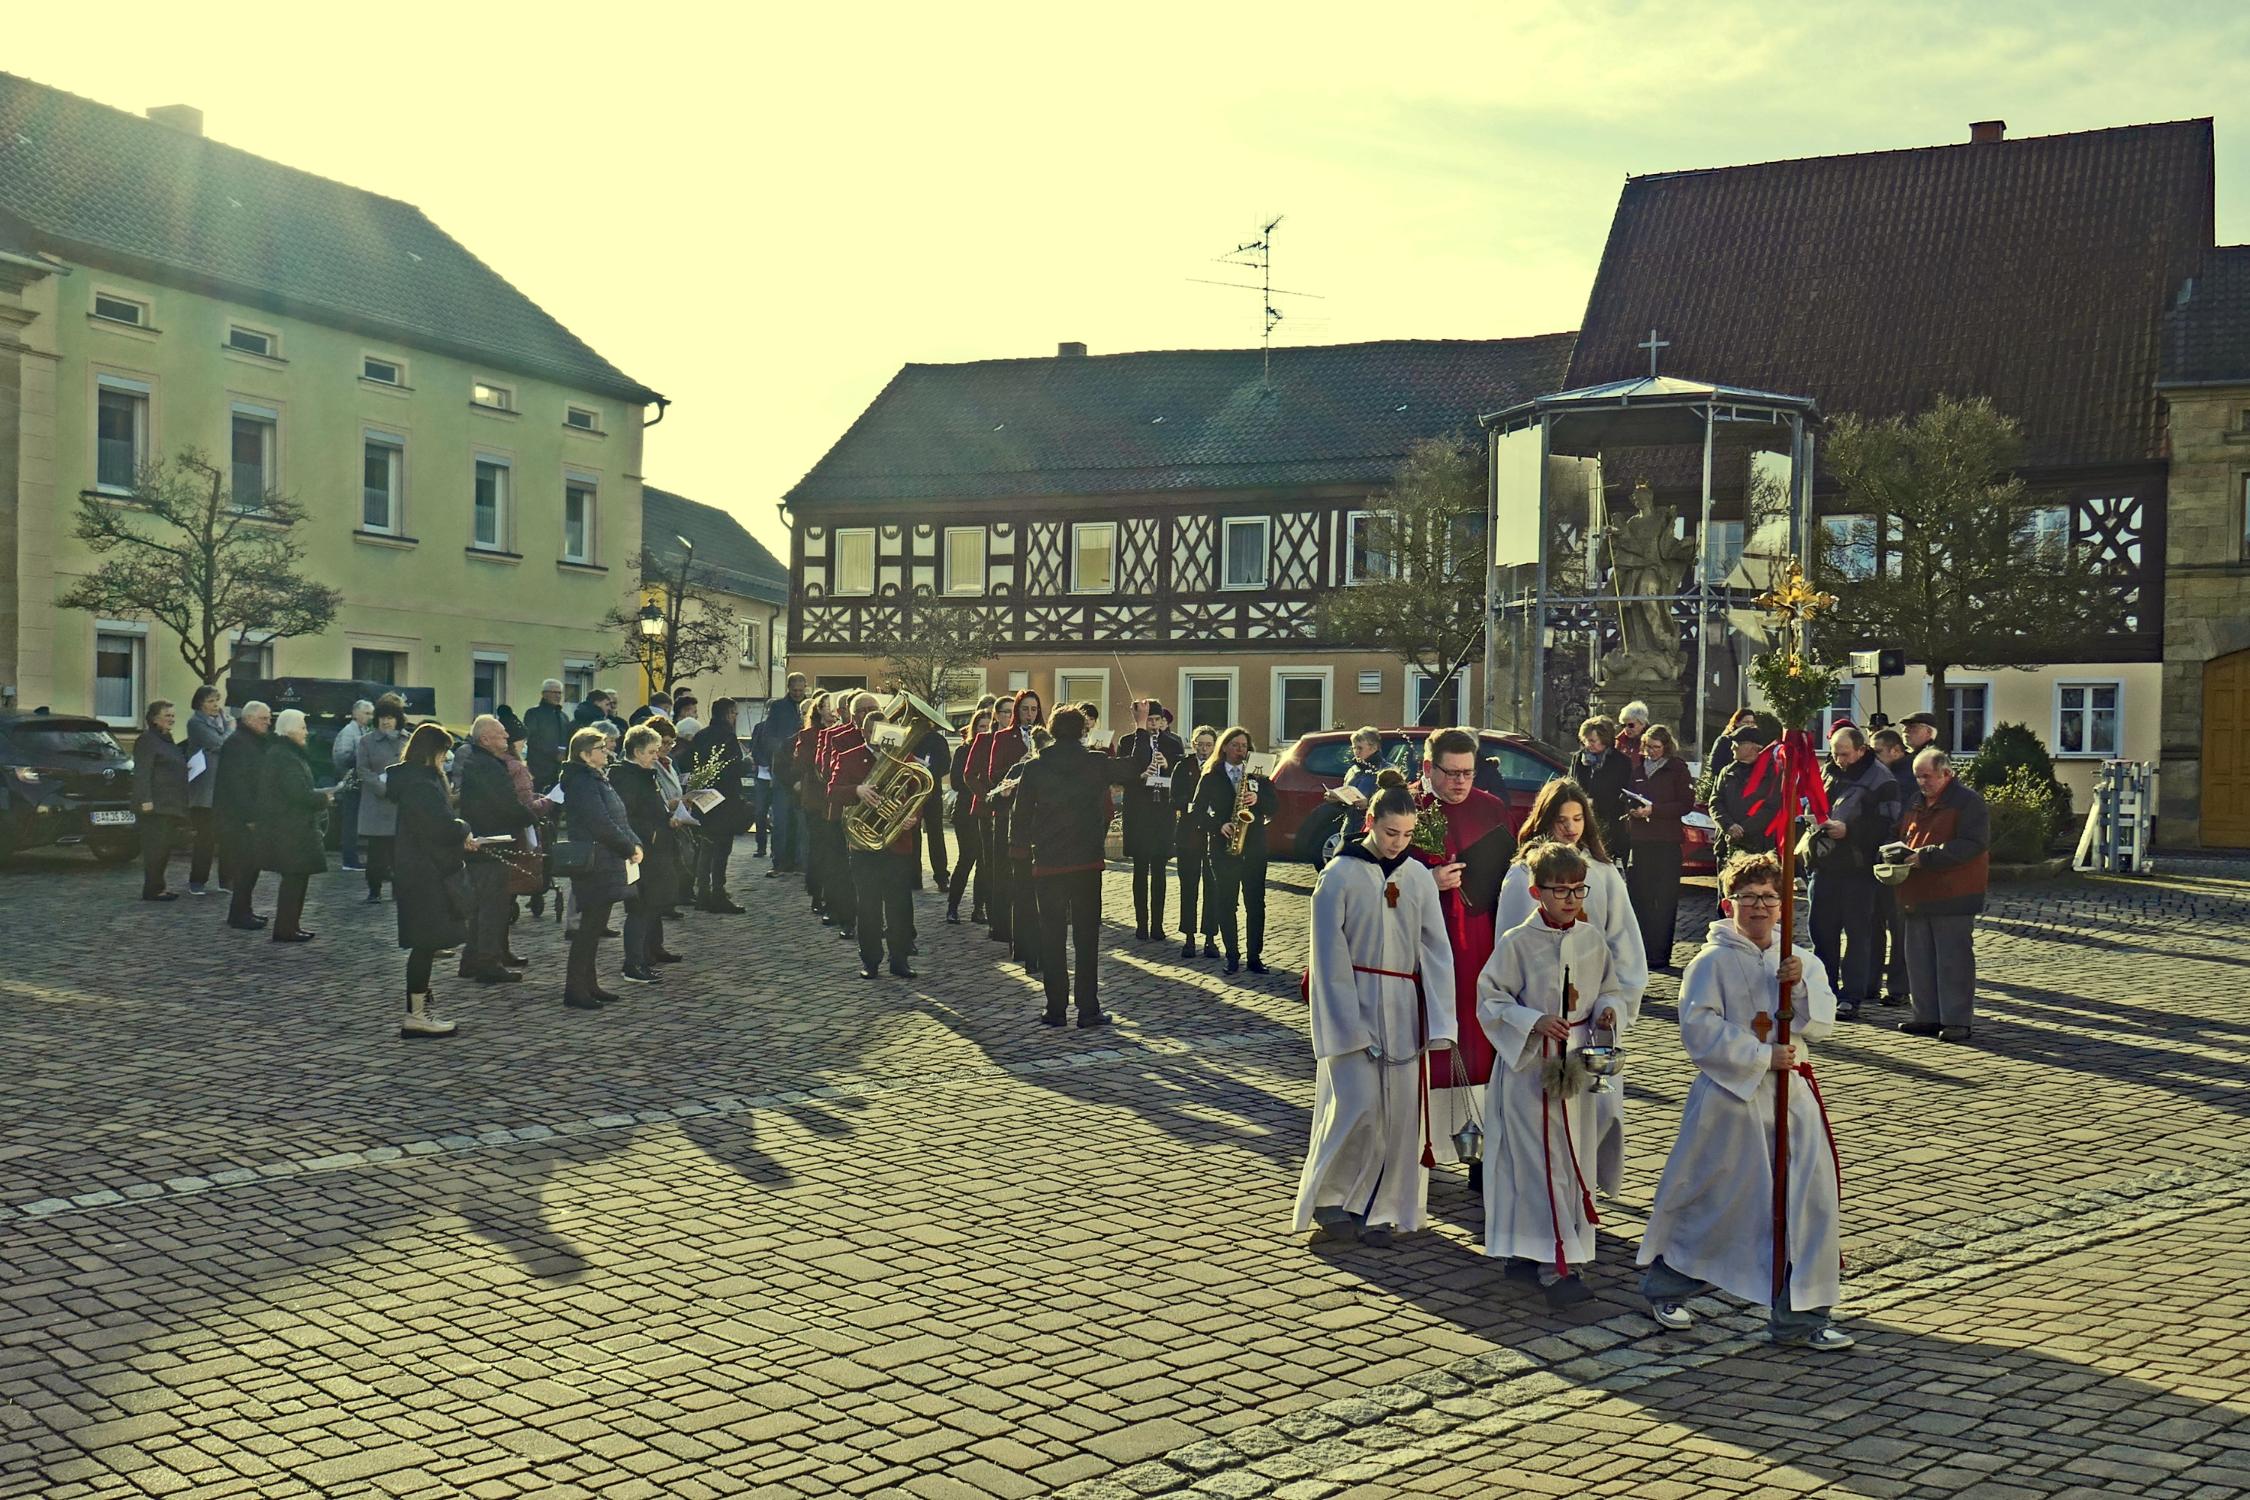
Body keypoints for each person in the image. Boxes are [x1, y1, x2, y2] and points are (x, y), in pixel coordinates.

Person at [1637, 851, 1850, 1350]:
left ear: (1784, 904)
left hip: (1791, 1096)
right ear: (1727, 902)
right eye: (1748, 897)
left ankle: (1799, 1318)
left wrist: (1796, 988)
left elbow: (1821, 1024)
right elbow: (1697, 1027)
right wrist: (1756, 1057)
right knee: (1721, 1202)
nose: (1759, 907)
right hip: (1730, 1099)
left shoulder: (1798, 959)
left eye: (1770, 898)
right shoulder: (1710, 961)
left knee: (1807, 1202)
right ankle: (1668, 1285)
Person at [1294, 768, 1458, 1247]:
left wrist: (1439, 1019)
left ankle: (1385, 1206)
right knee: (1356, 1106)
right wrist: (1346, 1028)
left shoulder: (1416, 877)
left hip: (1403, 1006)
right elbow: (1327, 957)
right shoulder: (1339, 874)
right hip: (1356, 1003)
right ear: (1370, 821)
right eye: (1390, 833)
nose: (1397, 843)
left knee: (1401, 1113)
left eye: (1407, 835)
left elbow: (1435, 949)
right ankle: (1330, 1198)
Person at [1475, 840, 1622, 1306]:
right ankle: (1554, 1264)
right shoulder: (1517, 942)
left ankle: (1545, 1251)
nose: (1571, 900)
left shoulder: (1592, 939)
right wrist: (1531, 1021)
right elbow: (1490, 1000)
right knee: (1535, 1163)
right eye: (1561, 891)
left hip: (1575, 1063)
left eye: (1579, 891)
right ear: (1537, 893)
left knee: (1569, 1157)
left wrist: (1608, 1012)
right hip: (1528, 1068)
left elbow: (1610, 989)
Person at [1496, 779, 1647, 1195]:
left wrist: (1617, 1003)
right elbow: (1508, 947)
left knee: (1599, 1111)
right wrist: (1526, 1013)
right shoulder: (1523, 874)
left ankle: (1585, 1190)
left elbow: (1625, 942)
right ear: (1544, 820)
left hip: (1592, 1011)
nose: (1570, 828)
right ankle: (1546, 1195)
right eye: (1561, 820)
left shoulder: (1602, 873)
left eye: (1578, 819)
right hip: (1541, 1017)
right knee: (1540, 1117)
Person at [1013, 706, 1133, 1025]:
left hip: (1049, 862)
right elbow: (1136, 767)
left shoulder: (1036, 767)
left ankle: (1055, 1009)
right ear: (1083, 731)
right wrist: (1141, 726)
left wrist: (1020, 853)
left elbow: (1020, 815)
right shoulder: (1094, 763)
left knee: (1051, 937)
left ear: (1051, 730)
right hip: (1086, 862)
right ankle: (1087, 1008)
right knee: (1086, 937)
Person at [1895, 749, 1990, 1043]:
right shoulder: (1914, 800)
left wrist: (1925, 857)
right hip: (1916, 891)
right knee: (1919, 958)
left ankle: (1957, 1020)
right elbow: (1900, 833)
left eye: (1928, 776)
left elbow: (1973, 844)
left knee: (1953, 960)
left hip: (1954, 893)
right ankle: (1926, 1016)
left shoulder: (1968, 802)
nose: (1922, 782)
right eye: (1918, 776)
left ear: (1946, 773)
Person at [1810, 724, 1903, 1020]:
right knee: (1821, 931)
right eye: (1835, 754)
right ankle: (1824, 989)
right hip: (1824, 866)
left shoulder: (1882, 779)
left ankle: (1851, 995)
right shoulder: (1831, 771)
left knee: (1857, 934)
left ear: (1861, 750)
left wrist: (1850, 830)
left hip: (1858, 869)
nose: (1839, 760)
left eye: (1845, 754)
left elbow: (1889, 825)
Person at [388, 724, 472, 1039]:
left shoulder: (413, 781)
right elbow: (441, 828)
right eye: (444, 750)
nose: (447, 757)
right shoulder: (421, 786)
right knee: (424, 946)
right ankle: (416, 1014)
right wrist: (463, 826)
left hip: (418, 870)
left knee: (425, 945)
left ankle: (419, 1010)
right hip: (425, 873)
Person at [831, 696, 921, 979]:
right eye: (878, 732)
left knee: (900, 905)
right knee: (868, 905)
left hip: (897, 842)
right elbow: (832, 791)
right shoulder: (849, 757)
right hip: (863, 843)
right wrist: (857, 791)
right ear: (866, 733)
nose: (884, 738)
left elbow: (918, 791)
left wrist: (911, 816)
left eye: (888, 731)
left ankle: (900, 959)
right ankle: (870, 960)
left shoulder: (902, 756)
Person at [558, 726, 641, 1009]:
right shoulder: (583, 782)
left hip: (607, 858)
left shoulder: (596, 778)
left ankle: (589, 984)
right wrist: (628, 847)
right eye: (601, 749)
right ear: (584, 754)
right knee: (589, 927)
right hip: (594, 861)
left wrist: (634, 842)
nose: (607, 753)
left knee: (595, 926)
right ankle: (576, 988)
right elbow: (601, 823)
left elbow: (619, 817)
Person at [1190, 725, 1278, 975]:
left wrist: (1258, 800)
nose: (1241, 750)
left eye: (1244, 746)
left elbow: (1274, 807)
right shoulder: (1211, 775)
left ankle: (1254, 956)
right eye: (1236, 745)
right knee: (1227, 903)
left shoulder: (1259, 775)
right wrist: (1219, 825)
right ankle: (1231, 955)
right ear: (1225, 747)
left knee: (1255, 903)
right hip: (1222, 847)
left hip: (1255, 847)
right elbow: (1196, 812)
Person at [456, 714, 534, 984]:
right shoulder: (487, 766)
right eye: (501, 734)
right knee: (492, 905)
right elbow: (504, 804)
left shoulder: (481, 762)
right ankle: (488, 962)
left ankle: (471, 959)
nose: (507, 737)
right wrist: (531, 814)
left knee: (482, 904)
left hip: (484, 839)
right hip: (492, 840)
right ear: (485, 739)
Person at [976, 690, 1044, 963]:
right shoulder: (1003, 737)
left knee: (1032, 882)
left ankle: (1033, 940)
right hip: (1010, 813)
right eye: (1025, 709)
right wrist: (1020, 766)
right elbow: (993, 776)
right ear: (1016, 711)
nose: (1030, 714)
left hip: (1036, 817)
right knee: (1012, 879)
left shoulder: (1044, 736)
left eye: (1034, 709)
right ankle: (1012, 937)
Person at [1622, 724, 1694, 972]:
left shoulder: (1677, 769)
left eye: (1656, 747)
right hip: (1641, 841)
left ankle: (1660, 954)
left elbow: (1685, 804)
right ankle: (1642, 950)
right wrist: (1632, 810)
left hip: (1666, 842)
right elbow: (1630, 794)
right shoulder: (1639, 769)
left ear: (1666, 747)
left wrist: (1656, 810)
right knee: (1641, 899)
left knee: (1663, 900)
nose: (1651, 752)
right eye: (1647, 747)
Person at [613, 724, 680, 985]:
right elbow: (626, 816)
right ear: (637, 752)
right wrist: (652, 832)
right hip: (643, 851)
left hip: (654, 847)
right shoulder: (627, 777)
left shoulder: (643, 774)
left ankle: (645, 956)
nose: (656, 756)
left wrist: (667, 819)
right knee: (639, 908)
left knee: (651, 905)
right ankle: (633, 962)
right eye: (651, 751)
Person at [257, 709, 331, 943]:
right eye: (302, 727)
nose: (306, 732)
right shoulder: (285, 756)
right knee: (294, 880)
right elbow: (296, 793)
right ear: (289, 729)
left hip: (292, 825)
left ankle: (291, 926)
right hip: (291, 827)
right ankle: (286, 928)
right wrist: (323, 799)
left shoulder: (284, 753)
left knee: (297, 880)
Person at [1120, 700, 1185, 940]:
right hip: (1139, 812)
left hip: (1162, 813)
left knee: (1159, 868)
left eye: (1157, 720)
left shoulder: (1172, 743)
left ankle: (1157, 924)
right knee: (1140, 868)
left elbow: (1182, 778)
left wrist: (1167, 767)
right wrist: (1140, 775)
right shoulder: (1129, 742)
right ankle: (1141, 923)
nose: (1154, 724)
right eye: (1149, 720)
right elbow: (1122, 776)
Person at [213, 700, 272, 929]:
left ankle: (245, 910)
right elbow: (238, 785)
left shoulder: (254, 742)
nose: (268, 722)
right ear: (249, 719)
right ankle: (239, 914)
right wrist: (250, 816)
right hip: (238, 818)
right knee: (245, 868)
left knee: (252, 867)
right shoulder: (238, 743)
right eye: (263, 718)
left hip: (247, 815)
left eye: (269, 718)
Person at [686, 698, 748, 913]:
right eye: (735, 713)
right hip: (725, 800)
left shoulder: (701, 735)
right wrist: (746, 765)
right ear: (729, 713)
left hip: (704, 798)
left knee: (706, 845)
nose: (736, 717)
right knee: (721, 848)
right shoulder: (728, 736)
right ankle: (717, 893)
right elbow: (733, 768)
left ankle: (702, 892)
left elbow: (691, 763)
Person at [1870, 727, 1914, 1006]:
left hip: (1895, 861)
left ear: (1895, 750)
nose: (1872, 757)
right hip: (1877, 859)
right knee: (1874, 924)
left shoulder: (1906, 778)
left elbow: (1901, 820)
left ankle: (1898, 988)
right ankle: (1870, 983)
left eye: (1877, 751)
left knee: (1898, 929)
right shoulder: (1878, 774)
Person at [1172, 725, 1222, 959]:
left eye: (1208, 745)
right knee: (1188, 887)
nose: (1203, 749)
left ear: (1215, 746)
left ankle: (1211, 938)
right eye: (1199, 744)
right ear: (1192, 745)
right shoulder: (1183, 766)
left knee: (1212, 888)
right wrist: (1193, 806)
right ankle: (1189, 937)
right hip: (1189, 835)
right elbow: (1174, 799)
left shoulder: (1219, 768)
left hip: (1212, 836)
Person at [353, 696, 410, 903]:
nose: (386, 722)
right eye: (382, 718)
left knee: (400, 854)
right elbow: (362, 769)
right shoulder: (366, 742)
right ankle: (374, 890)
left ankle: (399, 890)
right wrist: (381, 788)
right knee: (376, 854)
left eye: (391, 718)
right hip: (377, 804)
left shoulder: (407, 740)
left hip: (400, 804)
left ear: (398, 719)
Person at [132, 699, 190, 901]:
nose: (171, 719)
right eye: (167, 715)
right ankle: (153, 889)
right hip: (156, 805)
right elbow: (142, 772)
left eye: (173, 716)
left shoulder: (168, 740)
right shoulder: (147, 740)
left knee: (164, 849)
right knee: (155, 849)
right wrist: (145, 800)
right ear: (155, 719)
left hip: (170, 804)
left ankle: (158, 886)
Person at [946, 706, 995, 925]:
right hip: (965, 811)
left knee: (984, 863)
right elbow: (957, 781)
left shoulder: (994, 748)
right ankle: (952, 907)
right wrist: (977, 784)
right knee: (967, 858)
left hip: (985, 811)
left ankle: (978, 908)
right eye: (981, 727)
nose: (984, 731)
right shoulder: (964, 750)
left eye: (988, 727)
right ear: (974, 728)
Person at [183, 686, 232, 895]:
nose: (215, 705)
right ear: (201, 703)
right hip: (204, 790)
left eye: (217, 700)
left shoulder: (223, 721)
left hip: (223, 787)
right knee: (205, 837)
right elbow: (218, 742)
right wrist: (231, 729)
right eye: (211, 701)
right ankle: (197, 881)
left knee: (227, 836)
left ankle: (226, 881)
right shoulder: (195, 723)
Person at [1570, 715, 1635, 861]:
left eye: (1593, 740)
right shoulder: (1578, 759)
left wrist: (1597, 802)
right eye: (1586, 740)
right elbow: (1572, 785)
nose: (1588, 744)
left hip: (1610, 826)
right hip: (1583, 824)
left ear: (1605, 739)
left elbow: (1624, 794)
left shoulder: (1621, 762)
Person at [1711, 721, 1777, 860]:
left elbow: (1771, 807)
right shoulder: (1727, 771)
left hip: (1758, 847)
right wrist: (1728, 826)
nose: (1732, 748)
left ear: (1754, 747)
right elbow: (1716, 802)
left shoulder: (1772, 772)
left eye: (1737, 743)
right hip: (1726, 844)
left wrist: (1742, 830)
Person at [762, 675, 808, 874]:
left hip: (802, 772)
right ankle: (779, 860)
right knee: (780, 819)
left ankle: (799, 861)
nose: (797, 694)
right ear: (788, 688)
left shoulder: (810, 705)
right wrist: (782, 749)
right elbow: (768, 735)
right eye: (794, 690)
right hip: (782, 769)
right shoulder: (778, 707)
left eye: (800, 690)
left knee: (800, 821)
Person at [332, 699, 372, 870]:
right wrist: (362, 759)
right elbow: (342, 757)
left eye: (371, 713)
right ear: (355, 713)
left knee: (356, 822)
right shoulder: (349, 732)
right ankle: (349, 860)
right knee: (350, 823)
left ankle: (352, 858)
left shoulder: (364, 730)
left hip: (361, 783)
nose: (370, 717)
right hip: (351, 784)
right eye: (366, 713)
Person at [913, 715, 952, 892]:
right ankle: (913, 876)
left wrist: (928, 772)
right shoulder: (908, 737)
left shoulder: (937, 740)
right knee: (912, 833)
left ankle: (942, 876)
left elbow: (945, 766)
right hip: (910, 791)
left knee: (935, 834)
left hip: (931, 790)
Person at [523, 680, 571, 793]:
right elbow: (532, 739)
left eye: (560, 693)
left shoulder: (563, 716)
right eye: (554, 692)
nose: (558, 696)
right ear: (544, 694)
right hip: (539, 768)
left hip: (559, 769)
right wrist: (554, 753)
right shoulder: (534, 713)